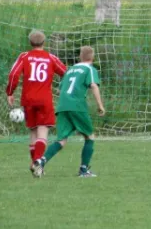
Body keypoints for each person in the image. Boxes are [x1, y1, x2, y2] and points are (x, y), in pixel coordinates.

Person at [33, 46, 106, 178]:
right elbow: (94, 85)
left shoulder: (70, 70)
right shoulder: (89, 69)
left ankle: (41, 161)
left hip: (62, 106)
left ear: (80, 57)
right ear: (92, 57)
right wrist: (100, 105)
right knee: (90, 136)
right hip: (77, 106)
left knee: (61, 140)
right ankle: (83, 170)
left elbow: (61, 89)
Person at [6, 30, 67, 173]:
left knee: (33, 133)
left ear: (30, 43)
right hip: (44, 100)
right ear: (44, 43)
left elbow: (14, 74)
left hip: (28, 100)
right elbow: (65, 73)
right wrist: (63, 89)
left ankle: (35, 163)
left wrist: (10, 92)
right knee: (43, 131)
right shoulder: (51, 58)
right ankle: (38, 164)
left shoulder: (24, 56)